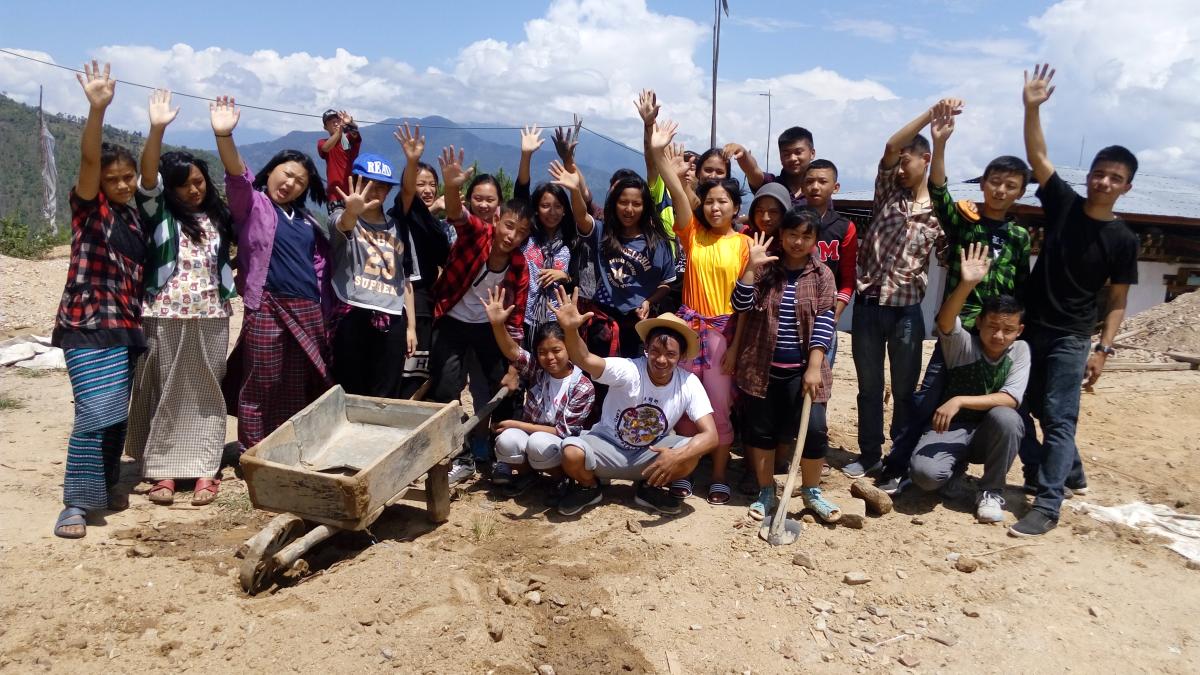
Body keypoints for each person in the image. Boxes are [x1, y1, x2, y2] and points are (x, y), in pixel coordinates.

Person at [1010, 64, 1140, 537]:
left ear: (1126, 186)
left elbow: (1118, 299)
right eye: (1099, 174)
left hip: (1071, 335)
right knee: (1021, 406)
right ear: (1089, 176)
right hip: (1031, 326)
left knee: (1060, 417)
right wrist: (1031, 108)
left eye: (1114, 178)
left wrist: (1102, 349)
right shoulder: (1063, 203)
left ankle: (1047, 503)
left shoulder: (1124, 239)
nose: (1104, 182)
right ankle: (1069, 472)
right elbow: (1037, 155)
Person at [877, 102, 1032, 492]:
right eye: (995, 182)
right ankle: (897, 467)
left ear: (1020, 192)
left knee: (1005, 407)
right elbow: (939, 191)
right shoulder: (965, 223)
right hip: (957, 331)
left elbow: (1020, 289)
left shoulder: (1019, 237)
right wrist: (941, 144)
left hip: (996, 336)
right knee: (925, 399)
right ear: (983, 183)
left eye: (1010, 185)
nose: (1000, 190)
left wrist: (1013, 331)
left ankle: (1012, 474)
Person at [126, 89, 235, 507]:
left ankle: (206, 468)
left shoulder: (217, 217)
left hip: (212, 313)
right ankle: (165, 470)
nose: (193, 190)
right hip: (163, 312)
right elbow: (147, 178)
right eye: (184, 185)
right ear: (169, 190)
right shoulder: (159, 213)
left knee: (207, 389)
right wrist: (156, 129)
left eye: (198, 182)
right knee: (165, 387)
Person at [52, 62, 146, 539]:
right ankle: (76, 502)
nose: (124, 185)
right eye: (115, 179)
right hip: (86, 325)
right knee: (93, 410)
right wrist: (96, 112)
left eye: (129, 177)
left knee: (116, 414)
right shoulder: (92, 209)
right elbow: (89, 162)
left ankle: (105, 482)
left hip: (125, 326)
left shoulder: (134, 217)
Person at [211, 96, 332, 452]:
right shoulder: (254, 203)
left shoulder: (308, 221)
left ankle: (287, 447)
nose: (291, 183)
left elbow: (320, 268)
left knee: (298, 382)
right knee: (262, 379)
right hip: (267, 305)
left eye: (300, 181)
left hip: (307, 309)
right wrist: (224, 136)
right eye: (287, 174)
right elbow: (237, 175)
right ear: (272, 170)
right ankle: (254, 450)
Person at [844, 99, 956, 479]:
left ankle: (899, 457)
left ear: (926, 160)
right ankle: (869, 454)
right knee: (869, 387)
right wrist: (930, 114)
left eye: (908, 161)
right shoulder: (888, 192)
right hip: (868, 305)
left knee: (905, 390)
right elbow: (891, 146)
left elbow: (950, 257)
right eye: (901, 163)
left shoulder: (939, 211)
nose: (902, 168)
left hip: (907, 311)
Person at [550, 288, 718, 517]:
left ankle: (649, 488)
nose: (661, 360)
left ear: (681, 356)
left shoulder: (688, 382)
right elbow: (585, 359)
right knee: (571, 452)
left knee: (690, 454)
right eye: (655, 351)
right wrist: (570, 330)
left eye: (670, 354)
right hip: (607, 447)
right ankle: (589, 487)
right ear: (646, 348)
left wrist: (678, 455)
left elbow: (711, 436)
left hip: (648, 455)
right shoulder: (629, 369)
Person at [654, 119, 751, 505]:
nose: (715, 207)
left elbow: (746, 305)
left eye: (723, 202)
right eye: (709, 201)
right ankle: (684, 470)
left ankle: (720, 475)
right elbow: (677, 193)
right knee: (682, 406)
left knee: (718, 408)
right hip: (688, 332)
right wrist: (659, 153)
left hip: (724, 335)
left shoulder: (745, 245)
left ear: (735, 207)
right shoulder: (691, 233)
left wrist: (736, 348)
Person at [427, 146, 531, 483]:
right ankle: (458, 456)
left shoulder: (520, 267)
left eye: (521, 232)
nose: (511, 236)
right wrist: (451, 186)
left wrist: (514, 368)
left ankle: (504, 457)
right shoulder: (477, 234)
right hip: (453, 321)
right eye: (509, 226)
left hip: (490, 327)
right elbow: (458, 214)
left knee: (506, 388)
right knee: (445, 389)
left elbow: (516, 322)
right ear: (497, 220)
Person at [908, 244, 1029, 525]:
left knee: (1008, 418)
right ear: (979, 322)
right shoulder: (963, 345)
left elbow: (1010, 398)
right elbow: (946, 321)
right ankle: (954, 472)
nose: (999, 336)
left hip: (989, 434)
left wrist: (960, 399)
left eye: (1008, 330)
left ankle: (991, 491)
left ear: (1019, 330)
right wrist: (966, 284)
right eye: (992, 326)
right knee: (925, 475)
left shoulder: (1021, 351)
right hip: (950, 429)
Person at [733, 216, 840, 522]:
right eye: (792, 234)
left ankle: (811, 492)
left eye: (806, 237)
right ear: (782, 234)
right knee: (761, 432)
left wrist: (814, 367)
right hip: (761, 367)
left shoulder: (822, 274)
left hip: (803, 370)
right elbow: (740, 305)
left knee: (814, 430)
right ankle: (766, 491)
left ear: (815, 240)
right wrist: (750, 267)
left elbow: (824, 321)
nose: (798, 242)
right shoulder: (765, 267)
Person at [550, 160, 675, 358]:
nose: (629, 209)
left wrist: (648, 302)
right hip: (602, 322)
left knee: (631, 375)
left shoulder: (657, 243)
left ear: (645, 207)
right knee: (598, 371)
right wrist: (575, 191)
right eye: (623, 202)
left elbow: (666, 283)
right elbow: (582, 217)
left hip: (637, 325)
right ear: (614, 203)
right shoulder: (603, 233)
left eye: (636, 204)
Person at [481, 287, 595, 498]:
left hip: (560, 443)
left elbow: (563, 433)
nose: (549, 358)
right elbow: (513, 352)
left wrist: (517, 424)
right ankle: (529, 475)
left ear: (569, 349)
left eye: (556, 350)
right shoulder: (539, 371)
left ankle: (562, 478)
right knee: (506, 441)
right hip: (535, 436)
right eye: (542, 352)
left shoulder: (583, 386)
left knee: (537, 443)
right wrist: (497, 325)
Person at [325, 154, 419, 396]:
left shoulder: (399, 227)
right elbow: (344, 225)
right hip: (351, 311)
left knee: (386, 391)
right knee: (349, 388)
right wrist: (352, 212)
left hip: (392, 315)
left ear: (388, 191)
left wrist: (411, 327)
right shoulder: (342, 219)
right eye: (367, 184)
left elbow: (406, 280)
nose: (373, 192)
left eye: (381, 186)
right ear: (354, 184)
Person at [389, 123, 451, 398]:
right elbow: (406, 195)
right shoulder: (404, 212)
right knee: (406, 368)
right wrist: (412, 161)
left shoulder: (433, 223)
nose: (427, 190)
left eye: (432, 184)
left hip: (428, 302)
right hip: (406, 300)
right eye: (420, 184)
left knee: (420, 370)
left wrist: (436, 209)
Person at [514, 125, 577, 350]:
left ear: (565, 210)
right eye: (545, 206)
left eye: (558, 206)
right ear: (536, 209)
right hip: (524, 318)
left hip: (557, 321)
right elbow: (521, 194)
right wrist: (526, 155)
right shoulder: (528, 236)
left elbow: (582, 278)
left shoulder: (571, 241)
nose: (552, 212)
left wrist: (565, 276)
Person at [725, 126, 816, 203]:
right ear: (780, 157)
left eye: (798, 152)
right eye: (786, 154)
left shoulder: (819, 188)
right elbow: (753, 171)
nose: (793, 158)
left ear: (812, 153)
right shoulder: (772, 185)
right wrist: (744, 155)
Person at [318, 109, 361, 209]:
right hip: (335, 197)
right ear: (325, 127)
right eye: (330, 121)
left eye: (337, 120)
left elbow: (355, 134)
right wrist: (340, 130)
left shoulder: (347, 140)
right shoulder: (322, 142)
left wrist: (350, 123)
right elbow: (326, 148)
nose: (335, 123)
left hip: (354, 194)